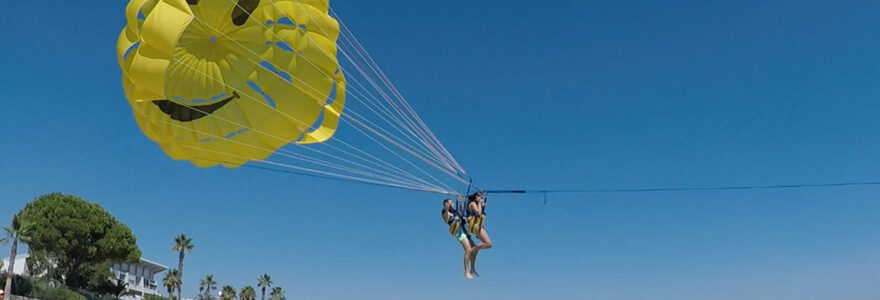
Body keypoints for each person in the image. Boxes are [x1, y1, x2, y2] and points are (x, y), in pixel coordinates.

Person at [442, 196, 478, 279]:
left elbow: (461, 214)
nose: (453, 203)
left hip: (463, 230)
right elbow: (446, 220)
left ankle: (472, 268)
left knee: (475, 248)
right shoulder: (445, 212)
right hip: (457, 232)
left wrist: (460, 203)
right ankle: (466, 271)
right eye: (451, 202)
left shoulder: (455, 212)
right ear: (446, 204)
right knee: (468, 249)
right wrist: (447, 209)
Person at [464, 191, 492, 278]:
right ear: (475, 197)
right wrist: (480, 203)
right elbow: (478, 213)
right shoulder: (472, 203)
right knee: (488, 244)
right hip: (474, 227)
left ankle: (472, 269)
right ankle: (473, 249)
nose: (480, 198)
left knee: (486, 245)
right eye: (479, 196)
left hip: (478, 226)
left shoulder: (476, 203)